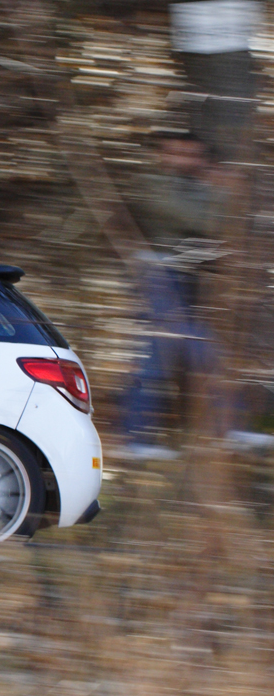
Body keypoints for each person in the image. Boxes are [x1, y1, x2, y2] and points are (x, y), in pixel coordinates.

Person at [115, 129, 232, 460]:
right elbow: (200, 220)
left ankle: (141, 439)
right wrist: (218, 190)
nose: (184, 161)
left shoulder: (194, 186)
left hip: (186, 277)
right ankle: (135, 439)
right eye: (176, 153)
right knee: (162, 357)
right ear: (163, 155)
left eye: (191, 155)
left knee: (192, 354)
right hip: (159, 275)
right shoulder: (154, 184)